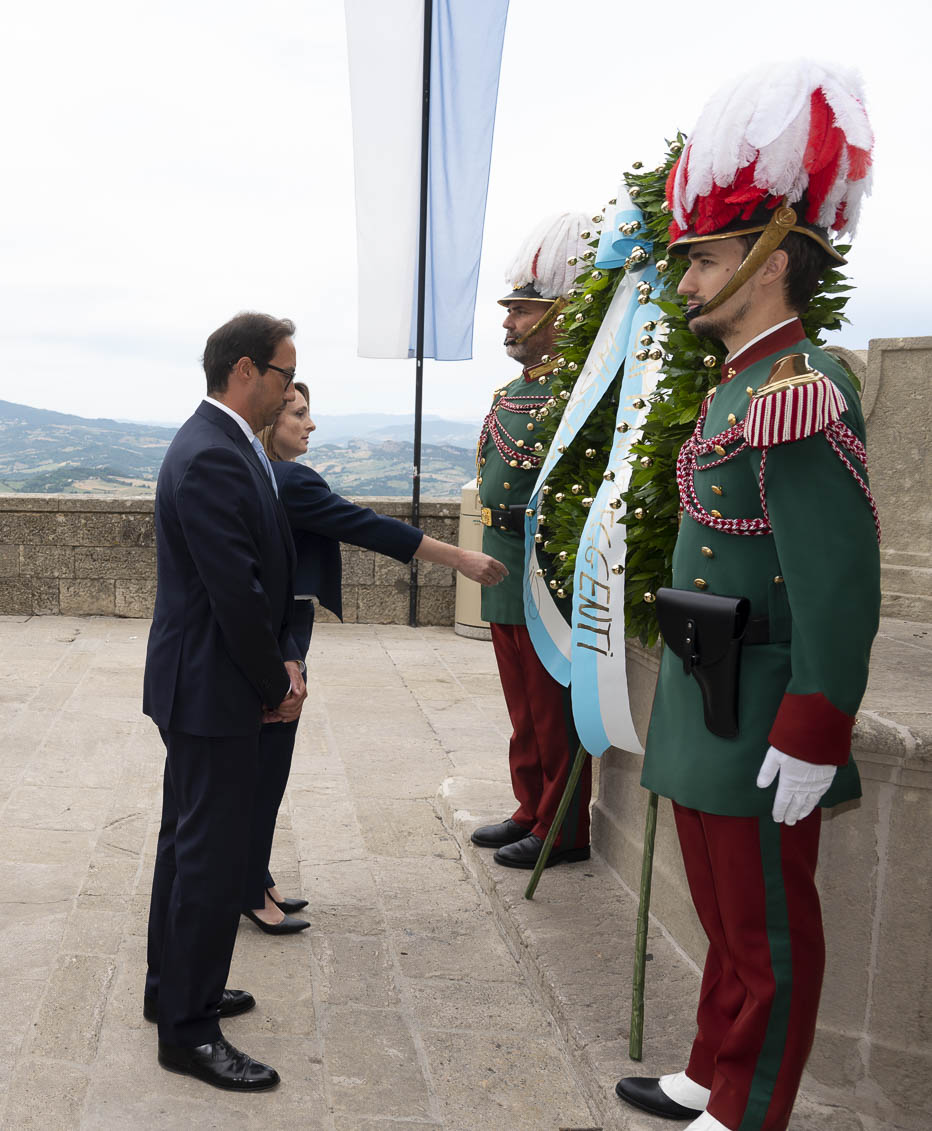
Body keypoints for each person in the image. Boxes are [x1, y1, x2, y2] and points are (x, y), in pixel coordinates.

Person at [615, 62, 879, 1131]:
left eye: (704, 260)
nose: (683, 284)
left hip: (765, 705)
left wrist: (816, 722)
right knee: (723, 915)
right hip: (706, 692)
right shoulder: (735, 386)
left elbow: (836, 579)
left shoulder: (799, 390)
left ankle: (748, 1107)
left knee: (768, 926)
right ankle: (707, 1070)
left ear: (768, 266)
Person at [246, 382, 506, 931]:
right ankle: (248, 886)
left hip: (275, 624)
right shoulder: (290, 479)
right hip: (281, 629)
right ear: (272, 423)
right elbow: (369, 526)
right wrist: (459, 556)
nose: (310, 424)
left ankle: (254, 876)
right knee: (266, 765)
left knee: (262, 760)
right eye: (298, 414)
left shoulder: (263, 473)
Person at [142, 311, 306, 1092]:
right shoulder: (212, 453)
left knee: (185, 843)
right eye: (283, 375)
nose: (288, 390)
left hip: (203, 680)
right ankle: (189, 1030)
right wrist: (275, 685)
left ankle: (171, 989)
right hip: (213, 686)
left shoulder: (224, 445)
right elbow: (234, 595)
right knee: (207, 858)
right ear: (245, 371)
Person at [467, 212, 595, 870]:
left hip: (542, 566)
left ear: (558, 316)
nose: (509, 324)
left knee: (552, 707)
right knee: (522, 706)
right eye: (511, 311)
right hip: (502, 564)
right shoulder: (511, 391)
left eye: (521, 311)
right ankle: (529, 805)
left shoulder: (573, 393)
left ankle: (562, 826)